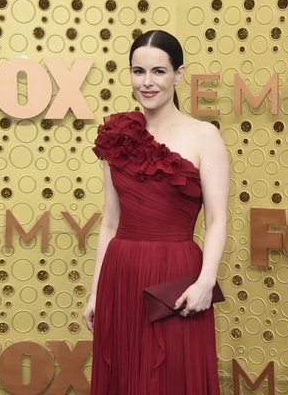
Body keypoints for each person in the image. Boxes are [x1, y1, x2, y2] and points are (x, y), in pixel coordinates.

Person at [83, 29, 229, 395]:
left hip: (175, 277)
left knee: (173, 379)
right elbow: (110, 222)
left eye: (159, 72)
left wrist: (206, 282)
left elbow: (216, 219)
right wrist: (97, 291)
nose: (147, 82)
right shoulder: (118, 135)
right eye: (138, 71)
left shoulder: (204, 135)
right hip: (121, 275)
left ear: (178, 75)